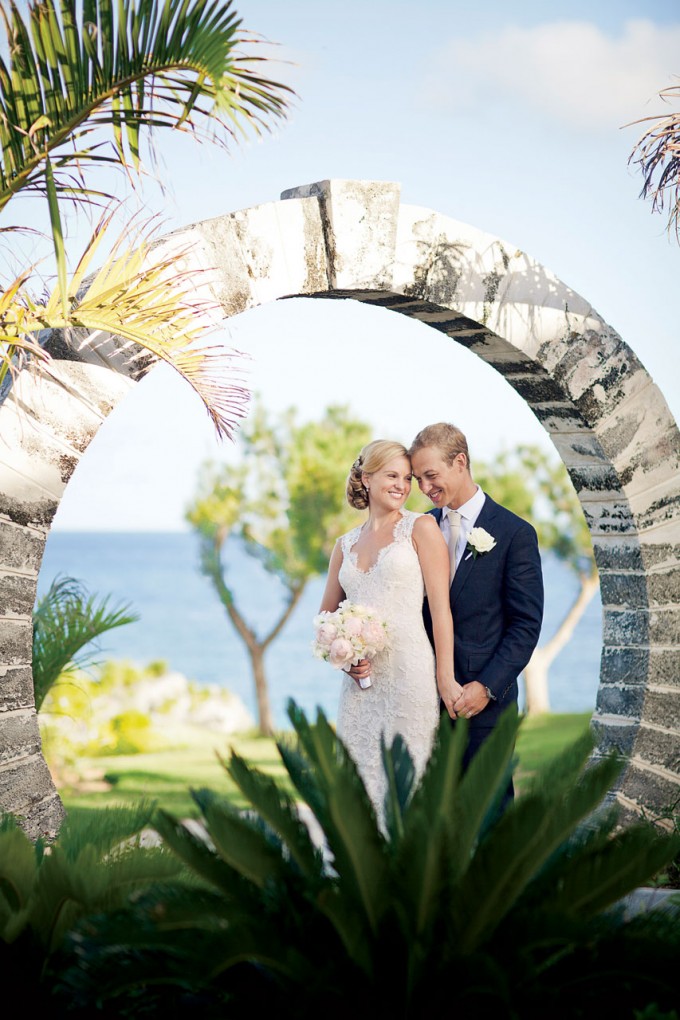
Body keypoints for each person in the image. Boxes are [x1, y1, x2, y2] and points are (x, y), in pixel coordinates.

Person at [318, 439, 460, 821]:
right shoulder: (343, 545)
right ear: (366, 478)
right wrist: (346, 659)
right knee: (360, 783)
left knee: (409, 783)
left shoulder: (422, 527)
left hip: (409, 675)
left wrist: (444, 677)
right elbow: (325, 620)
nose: (402, 485)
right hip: (360, 689)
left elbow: (442, 612)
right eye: (392, 475)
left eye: (408, 478)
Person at [409, 423, 544, 812]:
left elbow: (525, 626)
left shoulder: (515, 533)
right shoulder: (418, 528)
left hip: (482, 706)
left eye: (430, 475)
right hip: (419, 701)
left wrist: (485, 687)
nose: (424, 488)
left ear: (460, 462)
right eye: (418, 479)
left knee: (487, 818)